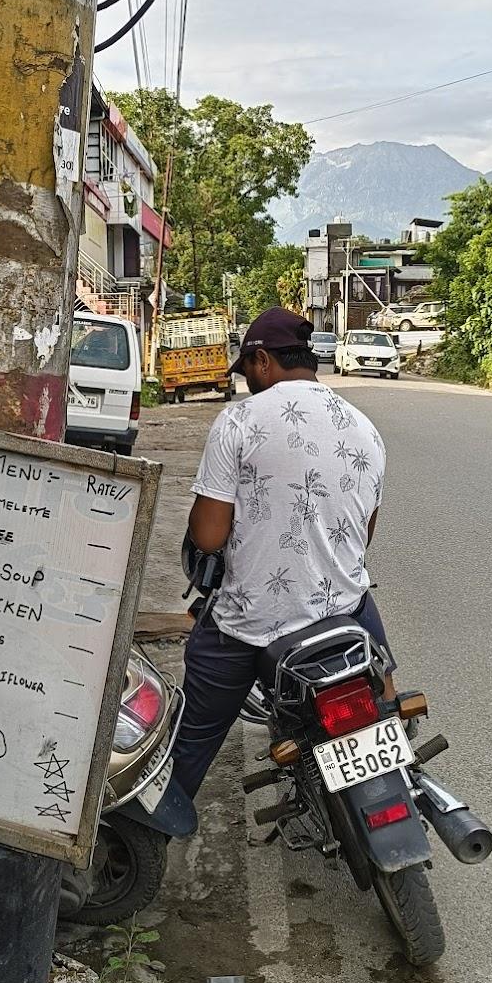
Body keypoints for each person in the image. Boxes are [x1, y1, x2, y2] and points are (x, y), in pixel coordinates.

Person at [170, 308, 395, 801]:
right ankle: (394, 744)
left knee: (195, 735)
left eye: (247, 369)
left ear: (263, 360)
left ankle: (157, 825)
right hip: (342, 614)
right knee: (385, 693)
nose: (247, 380)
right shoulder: (364, 428)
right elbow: (362, 538)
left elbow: (208, 539)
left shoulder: (239, 421)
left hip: (252, 623)